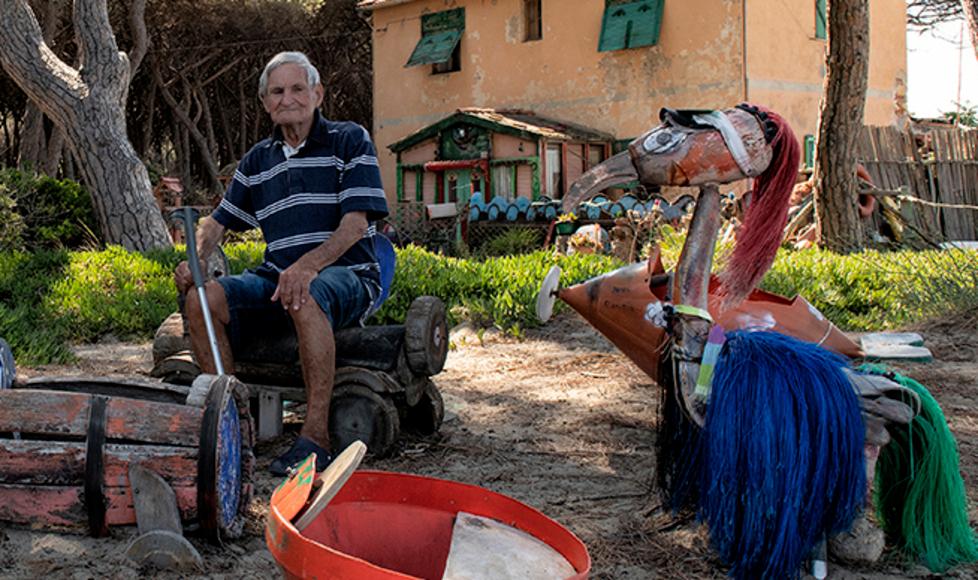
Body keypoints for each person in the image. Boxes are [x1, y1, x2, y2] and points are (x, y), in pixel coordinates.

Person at [174, 51, 388, 476]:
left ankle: (314, 439)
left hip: (348, 275)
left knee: (304, 290)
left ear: (317, 94)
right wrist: (194, 259)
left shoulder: (349, 139)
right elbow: (216, 224)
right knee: (202, 300)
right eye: (277, 91)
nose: (287, 98)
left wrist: (308, 267)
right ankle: (233, 425)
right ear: (265, 103)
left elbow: (355, 226)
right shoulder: (258, 160)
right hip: (278, 278)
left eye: (297, 88)